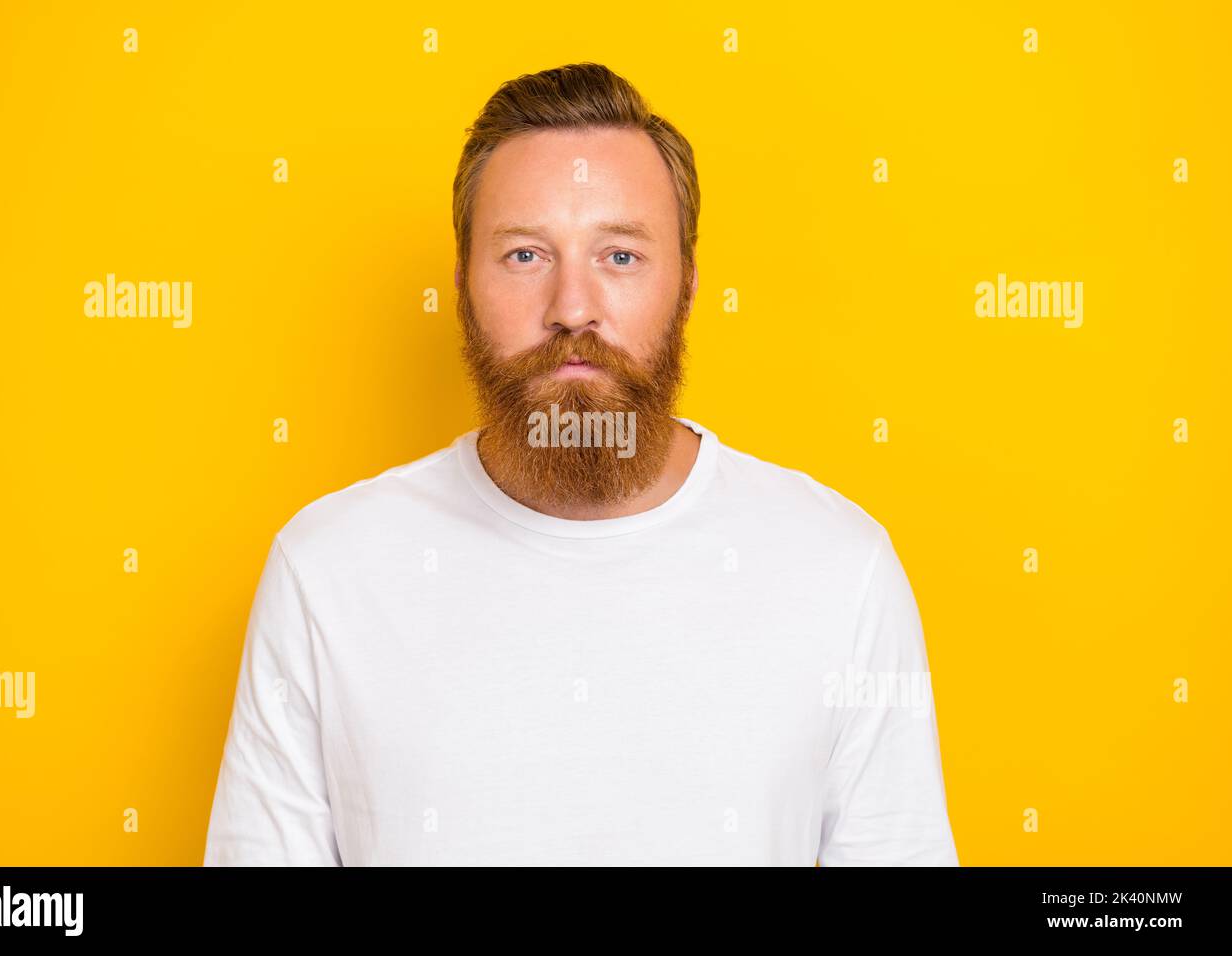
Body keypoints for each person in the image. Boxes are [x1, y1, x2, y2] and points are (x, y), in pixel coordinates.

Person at [203, 62, 959, 866]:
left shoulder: (841, 572)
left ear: (689, 288)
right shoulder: (326, 571)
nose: (572, 307)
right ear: (461, 289)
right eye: (525, 255)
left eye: (621, 257)